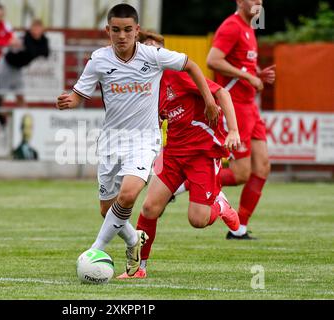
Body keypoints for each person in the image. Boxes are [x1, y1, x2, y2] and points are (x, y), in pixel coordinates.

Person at [56, 4, 220, 277]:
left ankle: (96, 249)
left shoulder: (153, 56)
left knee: (129, 195)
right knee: (107, 209)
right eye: (116, 30)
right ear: (108, 31)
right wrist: (68, 101)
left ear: (137, 31)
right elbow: (78, 94)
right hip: (111, 141)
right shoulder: (98, 59)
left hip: (144, 140)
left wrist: (209, 99)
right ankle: (134, 240)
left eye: (128, 30)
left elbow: (190, 64)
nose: (122, 36)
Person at [117, 31, 241, 279]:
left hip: (202, 153)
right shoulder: (145, 86)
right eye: (146, 49)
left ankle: (220, 204)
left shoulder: (180, 76)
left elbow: (222, 93)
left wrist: (234, 130)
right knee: (149, 208)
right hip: (172, 153)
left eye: (157, 50)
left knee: (197, 220)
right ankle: (138, 270)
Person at [206, 0, 275, 240]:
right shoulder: (232, 26)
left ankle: (239, 229)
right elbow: (213, 60)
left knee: (262, 167)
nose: (258, 2)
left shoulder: (249, 27)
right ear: (239, 1)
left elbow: (240, 64)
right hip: (235, 106)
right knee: (241, 173)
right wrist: (248, 75)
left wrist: (256, 75)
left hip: (250, 107)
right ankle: (189, 179)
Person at [0, 19, 50, 107]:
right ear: (31, 28)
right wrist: (37, 50)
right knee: (0, 96)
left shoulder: (43, 40)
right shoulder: (26, 37)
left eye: (39, 27)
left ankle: (23, 118)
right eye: (34, 27)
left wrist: (37, 49)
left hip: (18, 69)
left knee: (20, 95)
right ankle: (0, 119)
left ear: (42, 29)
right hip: (7, 66)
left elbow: (46, 53)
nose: (36, 30)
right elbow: (32, 51)